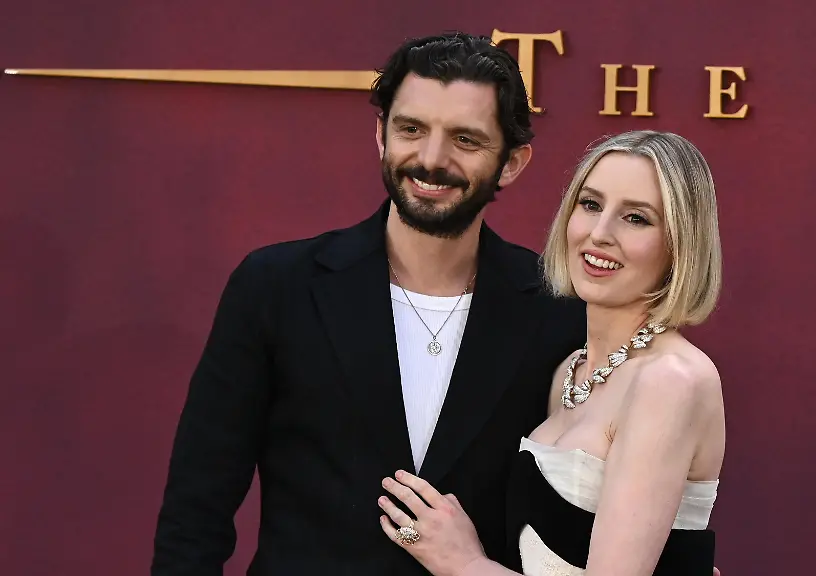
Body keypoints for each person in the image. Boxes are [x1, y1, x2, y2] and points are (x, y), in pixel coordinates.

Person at [150, 31, 587, 575]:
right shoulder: (277, 286)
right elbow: (197, 507)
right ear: (381, 134)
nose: (431, 160)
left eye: (466, 140)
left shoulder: (559, 307)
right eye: (411, 129)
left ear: (513, 161)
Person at [375, 130, 726, 576]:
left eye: (636, 218)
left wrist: (463, 563)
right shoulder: (569, 371)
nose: (600, 234)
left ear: (681, 243)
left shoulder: (669, 380)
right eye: (591, 204)